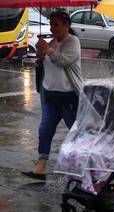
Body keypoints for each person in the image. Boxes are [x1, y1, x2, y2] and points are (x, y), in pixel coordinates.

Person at [22, 11, 84, 180]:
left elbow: (62, 60)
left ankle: (84, 168)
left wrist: (47, 49)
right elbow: (47, 63)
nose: (52, 28)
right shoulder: (52, 42)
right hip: (49, 95)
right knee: (45, 129)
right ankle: (41, 167)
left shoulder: (73, 41)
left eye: (56, 24)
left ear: (66, 25)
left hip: (69, 96)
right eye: (51, 24)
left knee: (76, 133)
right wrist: (40, 57)